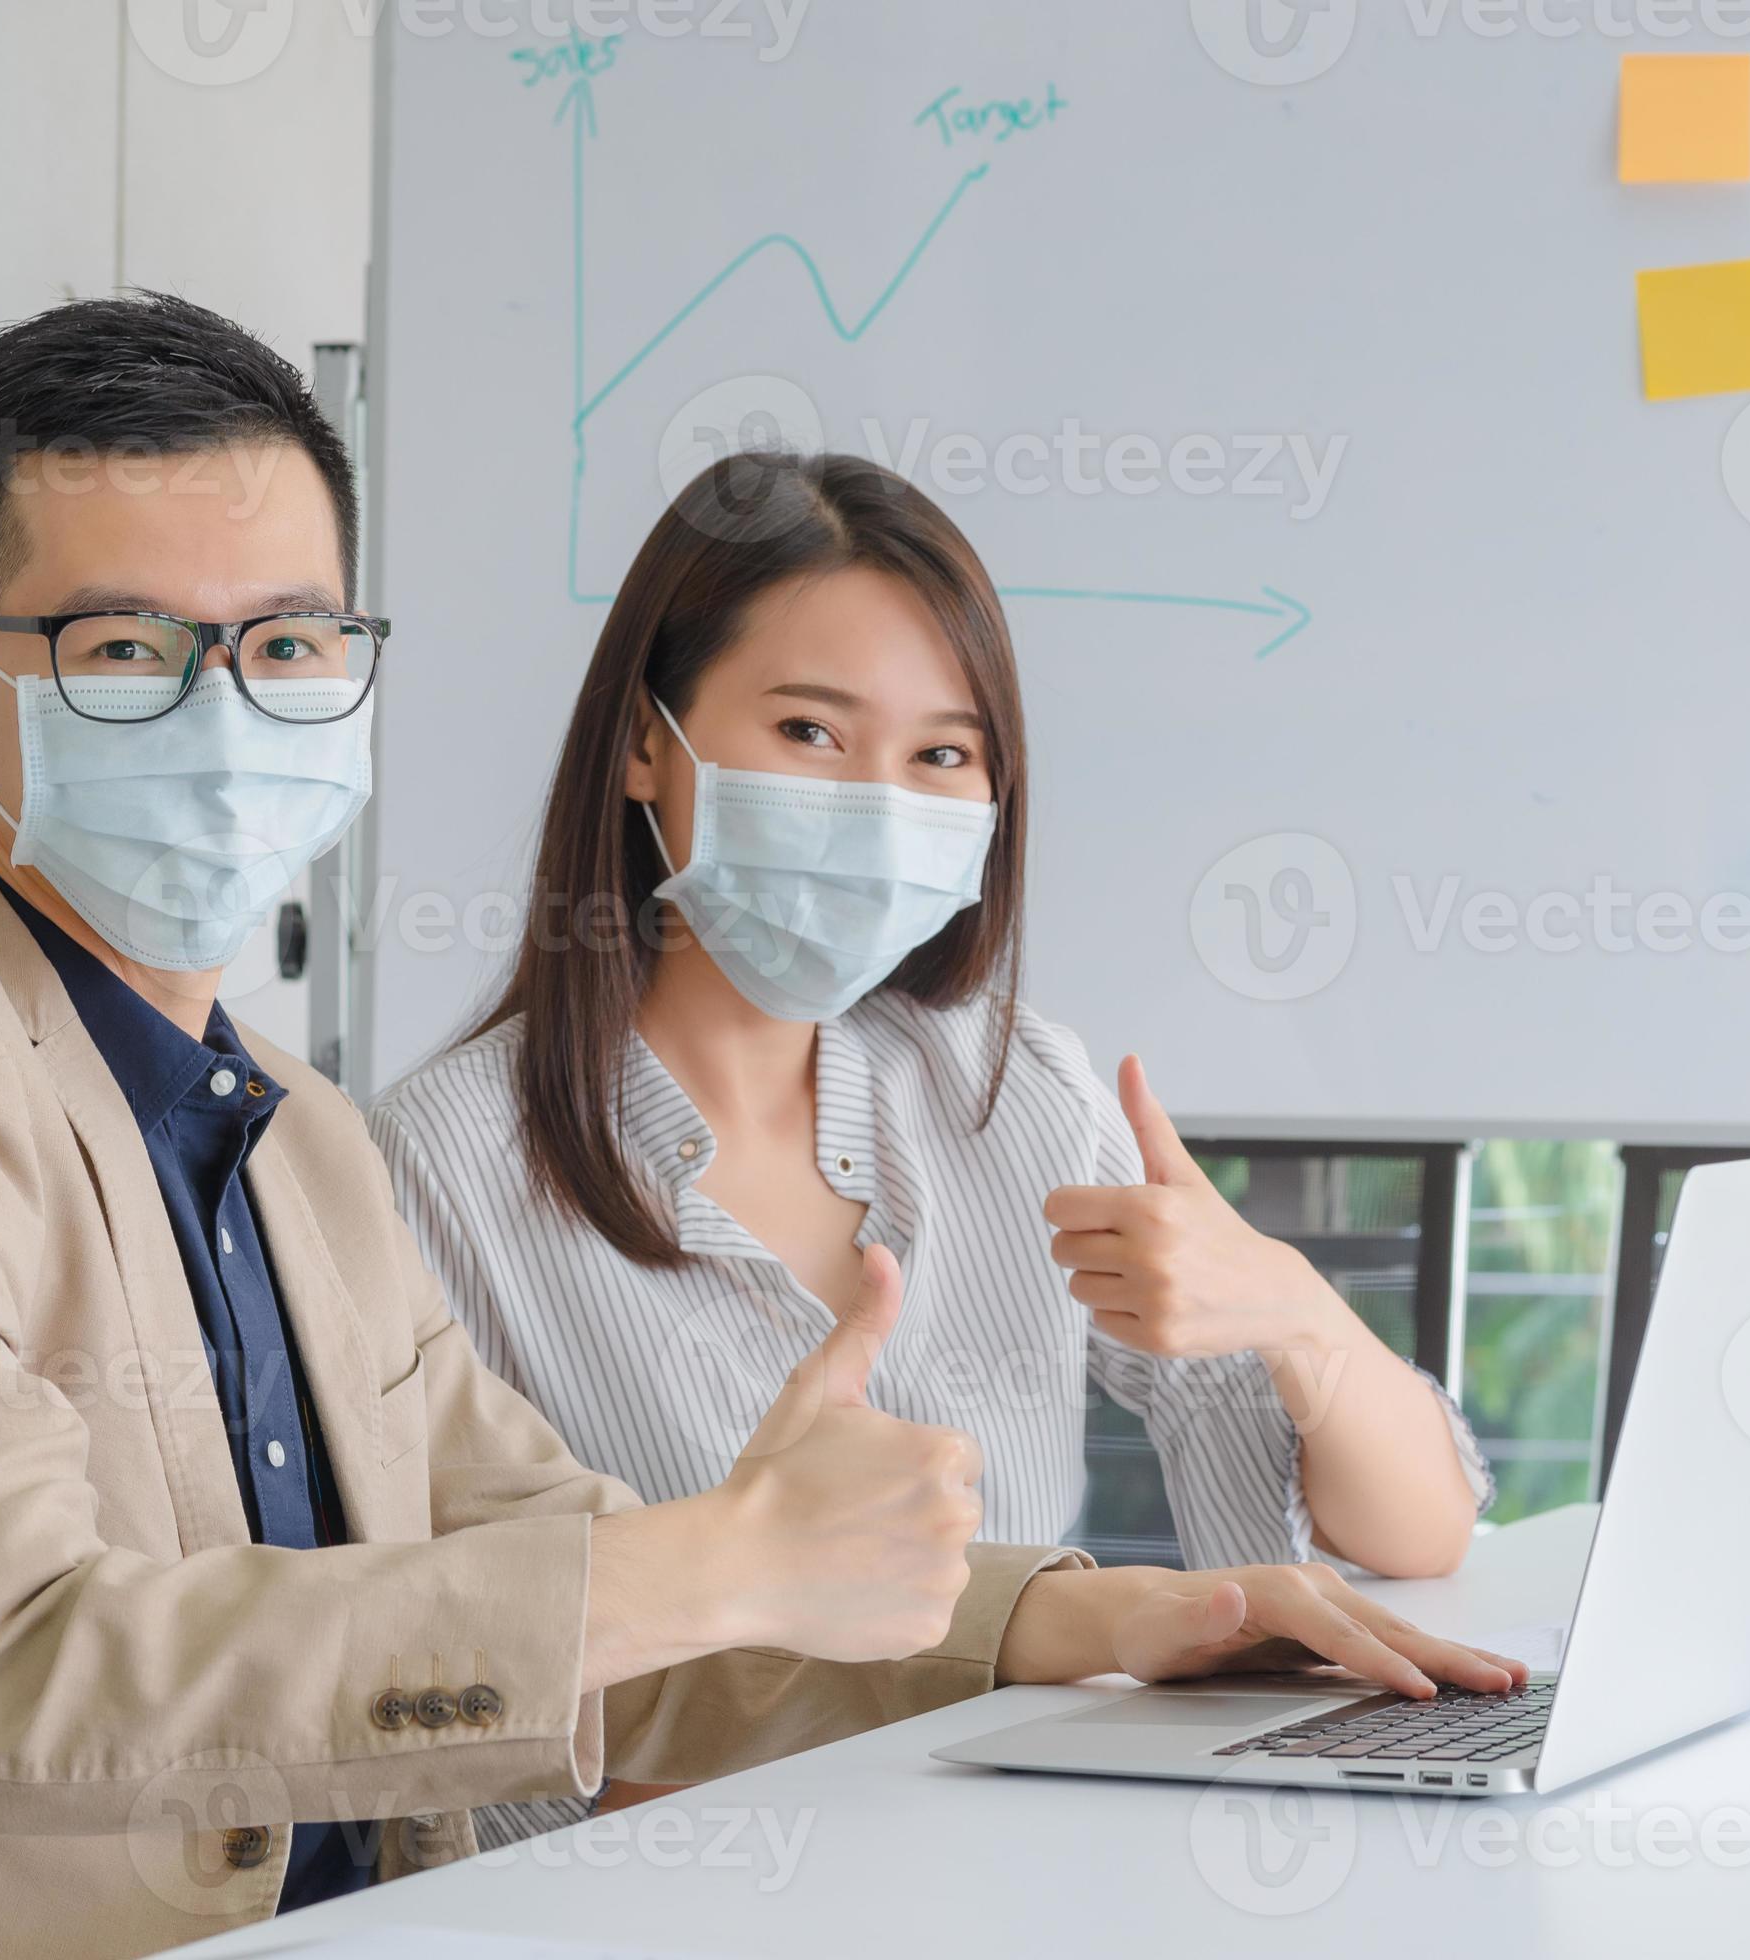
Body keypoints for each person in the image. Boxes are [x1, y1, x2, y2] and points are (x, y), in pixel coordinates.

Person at [0, 295, 1522, 1960]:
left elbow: (567, 1580)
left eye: (288, 643)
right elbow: (32, 1680)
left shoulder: (287, 1133)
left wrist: (1109, 1619)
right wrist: (729, 1559)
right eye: (126, 649)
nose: (229, 710)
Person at [369, 451, 1498, 1838]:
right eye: (809, 733)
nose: (877, 804)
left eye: (941, 755)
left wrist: (1295, 1312)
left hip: (1027, 1871)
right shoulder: (438, 1163)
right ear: (644, 743)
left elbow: (1412, 1537)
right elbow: (472, 1698)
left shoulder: (1011, 1091)